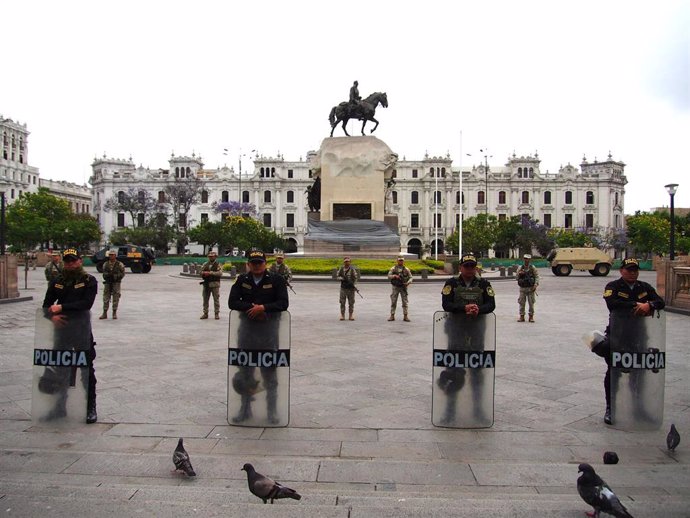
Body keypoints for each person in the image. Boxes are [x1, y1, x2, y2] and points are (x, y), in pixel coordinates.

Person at [588, 258, 665, 425]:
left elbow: (661, 302)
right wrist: (638, 305)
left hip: (639, 336)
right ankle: (611, 408)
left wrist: (650, 305)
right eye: (629, 269)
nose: (632, 272)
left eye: (635, 270)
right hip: (618, 335)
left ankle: (638, 408)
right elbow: (613, 303)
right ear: (621, 270)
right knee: (614, 371)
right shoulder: (613, 286)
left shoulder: (644, 287)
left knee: (638, 374)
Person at [228, 249, 289, 424]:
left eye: (259, 262)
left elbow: (283, 303)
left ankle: (272, 412)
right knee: (245, 374)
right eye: (253, 263)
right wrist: (252, 308)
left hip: (268, 334)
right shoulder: (242, 280)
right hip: (247, 333)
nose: (256, 266)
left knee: (270, 375)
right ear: (248, 264)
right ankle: (244, 410)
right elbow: (232, 302)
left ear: (265, 263)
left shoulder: (276, 280)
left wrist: (263, 309)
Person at [41, 248, 98, 424]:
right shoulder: (57, 281)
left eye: (73, 260)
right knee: (60, 369)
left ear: (80, 261)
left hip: (81, 331)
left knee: (86, 370)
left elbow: (86, 303)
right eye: (67, 261)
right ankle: (59, 407)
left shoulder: (89, 280)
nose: (70, 264)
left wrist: (62, 308)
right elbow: (46, 305)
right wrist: (52, 317)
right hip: (62, 331)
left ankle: (90, 408)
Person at [440, 254, 496, 424]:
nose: (470, 269)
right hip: (456, 333)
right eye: (467, 266)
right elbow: (446, 304)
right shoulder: (451, 283)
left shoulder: (484, 284)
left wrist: (478, 309)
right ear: (461, 267)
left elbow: (491, 304)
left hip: (476, 333)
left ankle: (478, 410)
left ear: (476, 268)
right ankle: (449, 413)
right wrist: (464, 308)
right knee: (453, 372)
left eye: (472, 266)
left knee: (477, 373)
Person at [100, 249, 125, 320]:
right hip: (108, 282)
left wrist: (115, 276)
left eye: (112, 255)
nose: (111, 256)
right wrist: (107, 275)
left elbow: (122, 273)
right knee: (106, 297)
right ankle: (104, 313)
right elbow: (103, 273)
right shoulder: (106, 264)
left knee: (116, 297)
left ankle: (114, 312)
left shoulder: (119, 264)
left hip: (116, 283)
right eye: (110, 255)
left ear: (115, 256)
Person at [387, 256, 412, 321]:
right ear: (397, 261)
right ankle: (392, 315)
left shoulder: (406, 269)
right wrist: (394, 276)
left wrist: (408, 283)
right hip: (395, 287)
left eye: (402, 260)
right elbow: (388, 276)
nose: (401, 261)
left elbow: (411, 277)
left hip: (403, 287)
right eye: (399, 260)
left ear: (403, 261)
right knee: (393, 301)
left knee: (405, 302)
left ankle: (405, 316)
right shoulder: (393, 268)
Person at [200, 250, 223, 320]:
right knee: (205, 299)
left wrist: (210, 273)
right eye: (210, 256)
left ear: (215, 257)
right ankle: (205, 313)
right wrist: (204, 273)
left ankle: (216, 313)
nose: (211, 258)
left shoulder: (218, 264)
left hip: (215, 284)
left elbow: (220, 273)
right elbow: (200, 272)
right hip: (206, 284)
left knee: (216, 299)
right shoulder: (205, 264)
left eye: (212, 256)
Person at [516, 253, 539, 322]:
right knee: (521, 303)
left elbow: (537, 276)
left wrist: (535, 285)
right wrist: (520, 274)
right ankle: (522, 316)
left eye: (527, 259)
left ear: (530, 259)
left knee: (531, 303)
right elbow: (517, 278)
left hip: (530, 288)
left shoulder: (532, 268)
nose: (526, 260)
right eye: (525, 258)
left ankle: (531, 316)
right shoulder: (520, 267)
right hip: (523, 288)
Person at [337, 256, 360, 321]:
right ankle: (342, 315)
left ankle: (351, 315)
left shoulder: (352, 269)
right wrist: (342, 278)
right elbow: (337, 276)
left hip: (351, 288)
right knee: (342, 302)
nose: (347, 263)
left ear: (350, 262)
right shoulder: (341, 269)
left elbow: (355, 278)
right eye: (345, 261)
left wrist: (355, 286)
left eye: (348, 261)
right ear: (344, 262)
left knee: (351, 302)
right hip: (343, 288)